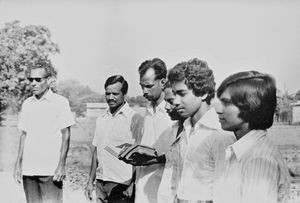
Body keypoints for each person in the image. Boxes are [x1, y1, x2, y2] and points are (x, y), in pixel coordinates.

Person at [214, 71, 290, 203]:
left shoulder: (258, 158)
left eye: (226, 103)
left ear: (250, 106)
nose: (218, 110)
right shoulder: (243, 151)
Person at [167, 58, 235, 202]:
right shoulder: (184, 129)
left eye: (182, 93)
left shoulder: (220, 134)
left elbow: (228, 191)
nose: (175, 101)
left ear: (203, 93)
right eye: (174, 94)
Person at [13, 58, 75, 203]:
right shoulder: (27, 104)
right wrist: (18, 164)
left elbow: (66, 135)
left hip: (50, 170)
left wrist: (61, 165)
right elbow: (23, 135)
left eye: (38, 79)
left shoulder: (60, 102)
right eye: (31, 79)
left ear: (48, 80)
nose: (33, 83)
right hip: (29, 170)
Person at [85, 75, 143, 203]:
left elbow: (138, 156)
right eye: (108, 93)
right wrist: (90, 182)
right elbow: (96, 152)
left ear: (124, 94)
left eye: (115, 94)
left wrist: (133, 184)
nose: (111, 97)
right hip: (101, 182)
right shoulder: (101, 119)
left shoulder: (135, 119)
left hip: (122, 184)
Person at [134, 58, 174, 203]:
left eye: (149, 86)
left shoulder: (174, 114)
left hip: (164, 190)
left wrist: (151, 160)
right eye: (142, 86)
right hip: (142, 188)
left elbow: (178, 154)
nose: (144, 92)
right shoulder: (147, 110)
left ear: (163, 82)